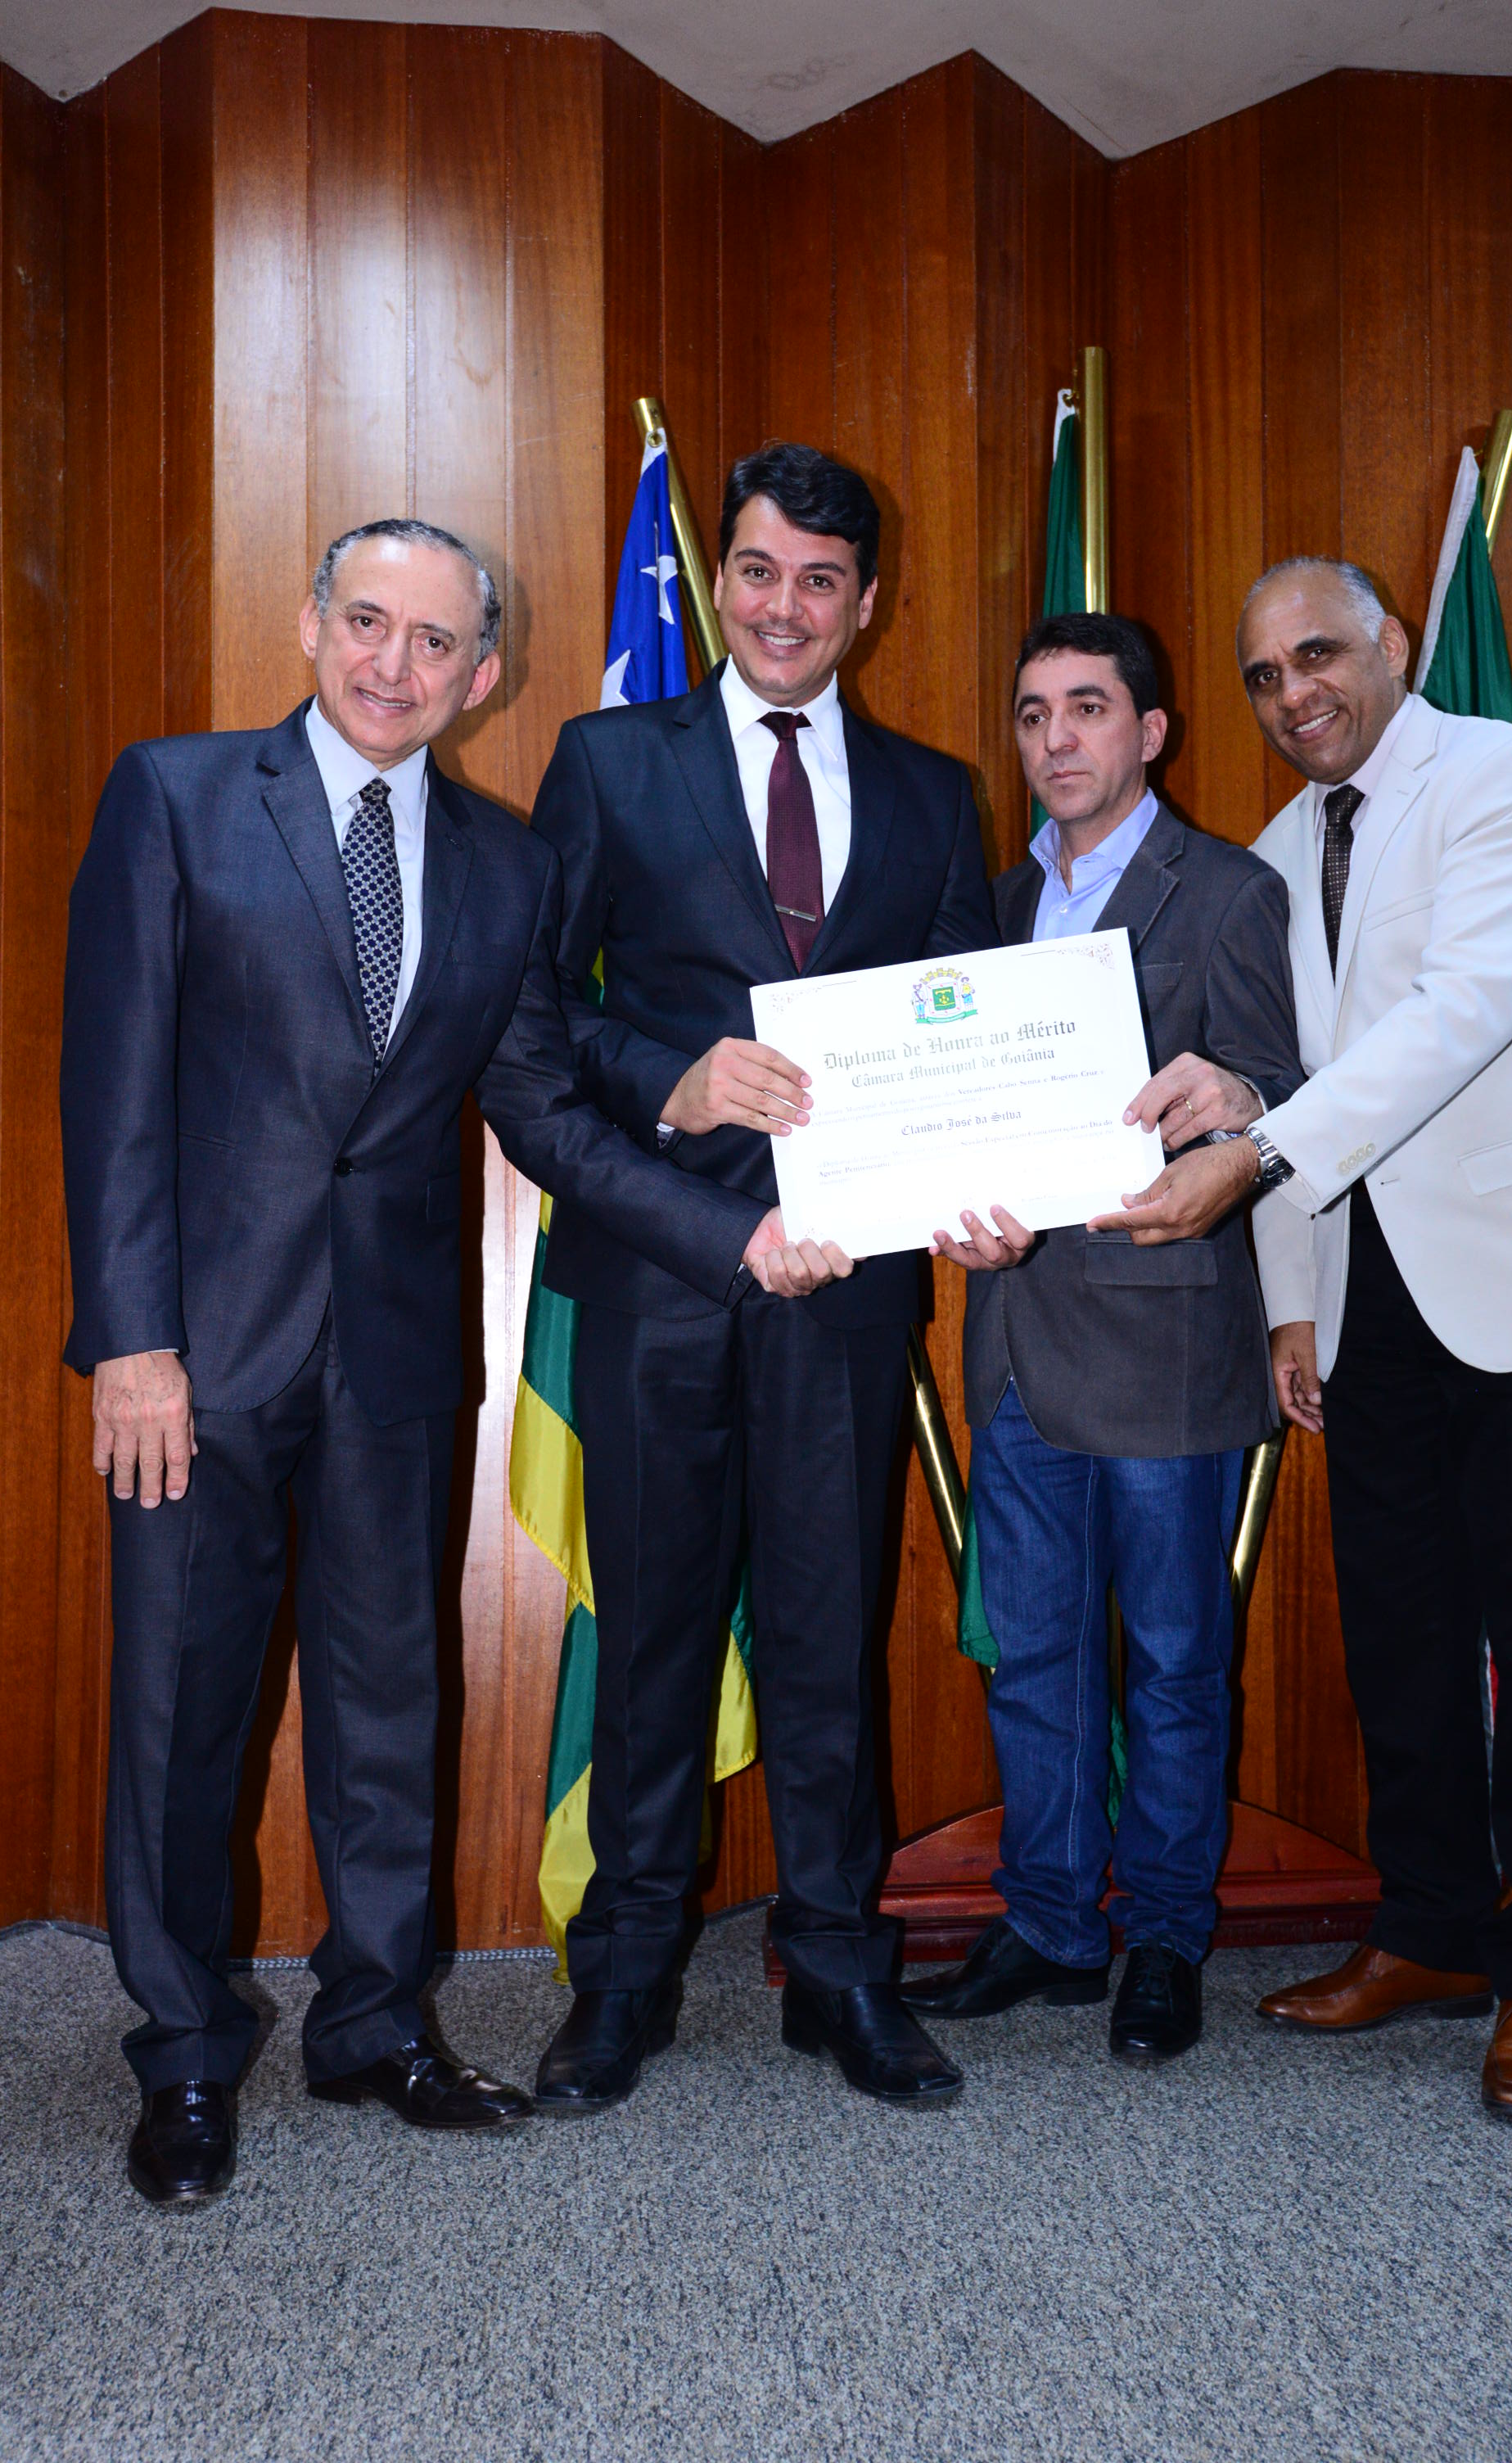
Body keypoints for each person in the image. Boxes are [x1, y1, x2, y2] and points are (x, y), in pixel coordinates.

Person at [61, 518, 795, 2209]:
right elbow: (114, 1090)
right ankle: (184, 2050)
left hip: (394, 1357)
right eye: (367, 622)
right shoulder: (175, 794)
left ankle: (374, 2024)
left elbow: (538, 1106)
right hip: (197, 1357)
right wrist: (134, 1342)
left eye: (434, 641)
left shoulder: (505, 863)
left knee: (391, 1700)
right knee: (180, 1709)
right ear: (312, 623)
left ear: (483, 674)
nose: (393, 664)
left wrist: (731, 1237)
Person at [1095, 555, 1512, 2122]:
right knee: (1399, 1628)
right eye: (1266, 678)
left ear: (1394, 642)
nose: (1297, 695)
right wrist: (1289, 1294)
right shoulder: (1278, 854)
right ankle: (1430, 1931)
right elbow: (1280, 1079)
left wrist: (1259, 1151)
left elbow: (1461, 1014)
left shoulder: (1511, 777)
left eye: (1321, 655)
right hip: (1366, 1295)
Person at [530, 442, 998, 2110]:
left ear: (866, 603)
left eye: (819, 579)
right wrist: (675, 1077)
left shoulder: (936, 795)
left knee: (826, 1639)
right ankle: (625, 1974)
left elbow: (969, 1040)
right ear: (718, 579)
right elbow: (533, 1021)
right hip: (661, 1273)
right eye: (755, 570)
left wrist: (984, 1189)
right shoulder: (607, 760)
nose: (782, 605)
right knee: (654, 1634)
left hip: (851, 1289)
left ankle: (839, 1971)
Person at [901, 612, 1302, 2059]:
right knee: (1037, 1661)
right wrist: (945, 1206)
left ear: (1152, 732)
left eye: (1087, 708)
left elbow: (1285, 1086)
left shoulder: (1231, 890)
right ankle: (1055, 1924)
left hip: (1165, 1342)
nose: (1056, 738)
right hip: (1014, 1337)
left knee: (1177, 1663)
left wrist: (1237, 1104)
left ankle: (1166, 1937)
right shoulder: (997, 904)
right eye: (1033, 713)